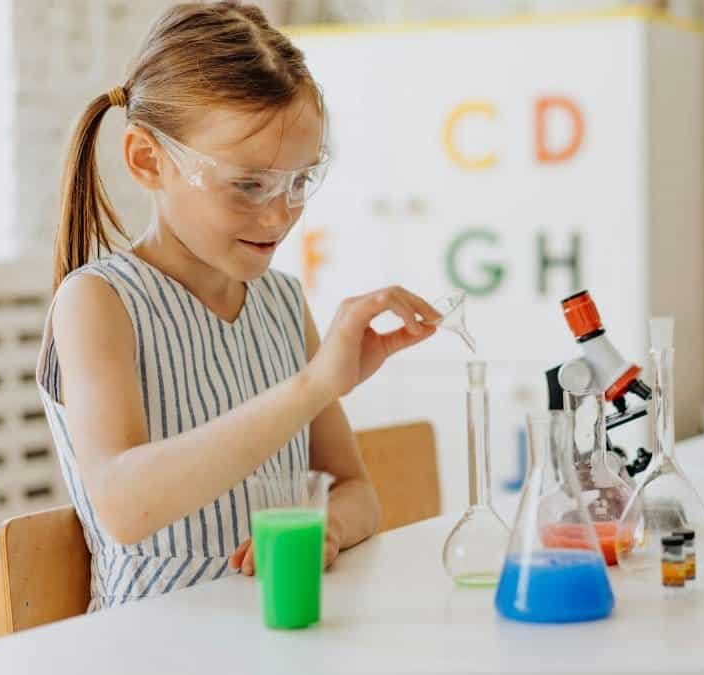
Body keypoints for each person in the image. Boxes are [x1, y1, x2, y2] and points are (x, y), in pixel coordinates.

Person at [37, 1, 439, 611]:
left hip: (271, 635)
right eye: (248, 184)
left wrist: (327, 528)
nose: (280, 216)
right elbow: (123, 506)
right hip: (150, 647)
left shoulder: (280, 301)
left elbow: (355, 490)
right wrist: (309, 387)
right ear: (149, 159)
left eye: (299, 181)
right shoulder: (99, 300)